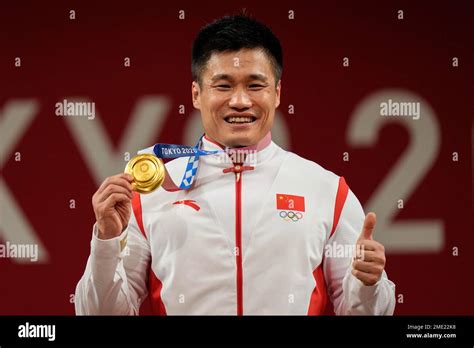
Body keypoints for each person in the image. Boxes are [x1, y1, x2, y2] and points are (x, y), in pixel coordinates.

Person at [75, 14, 395, 315]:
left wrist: (368, 284)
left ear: (278, 93)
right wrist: (106, 241)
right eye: (223, 85)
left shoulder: (326, 190)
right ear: (196, 94)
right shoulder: (150, 191)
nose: (240, 101)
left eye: (255, 85)